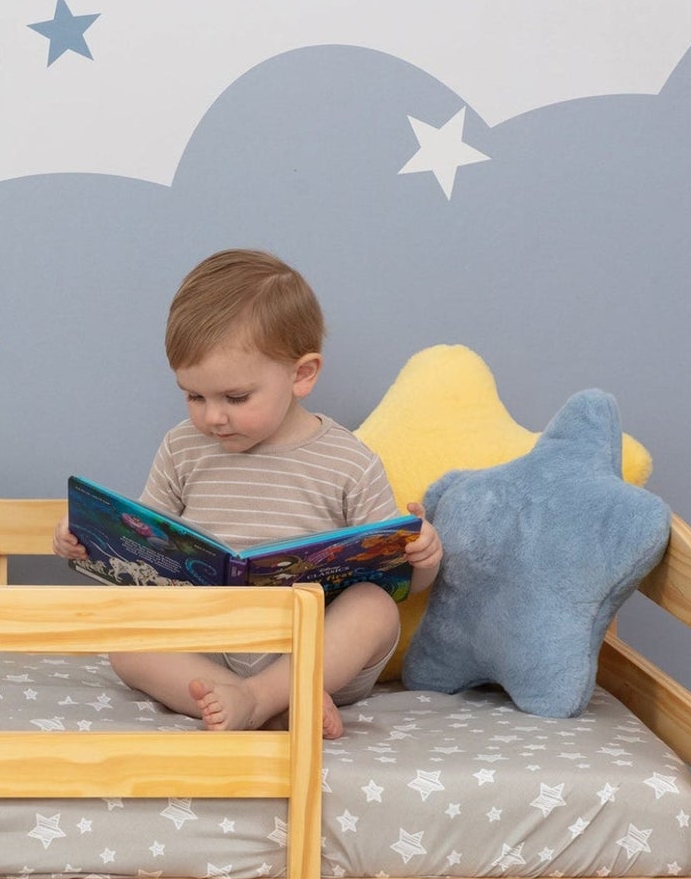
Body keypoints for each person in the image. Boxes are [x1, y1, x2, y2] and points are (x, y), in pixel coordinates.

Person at [53, 249, 442, 739]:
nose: (213, 417)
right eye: (194, 396)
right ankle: (266, 704)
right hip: (209, 640)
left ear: (301, 375)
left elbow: (400, 582)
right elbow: (144, 543)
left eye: (235, 398)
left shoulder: (348, 461)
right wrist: (85, 536)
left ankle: (263, 695)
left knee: (374, 607)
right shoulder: (182, 448)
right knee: (126, 638)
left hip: (312, 652)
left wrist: (421, 557)